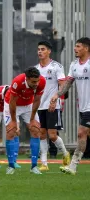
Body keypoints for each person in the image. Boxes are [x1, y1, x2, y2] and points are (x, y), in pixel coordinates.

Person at [49, 37, 90, 175]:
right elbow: (68, 83)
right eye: (75, 46)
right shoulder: (74, 65)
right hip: (83, 107)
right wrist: (57, 94)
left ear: (86, 48)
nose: (75, 49)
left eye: (78, 46)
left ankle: (73, 166)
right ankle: (73, 166)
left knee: (81, 133)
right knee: (84, 134)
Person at [35, 41, 70, 171]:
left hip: (52, 106)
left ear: (49, 51)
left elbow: (63, 85)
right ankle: (44, 163)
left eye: (42, 49)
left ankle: (66, 154)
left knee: (52, 135)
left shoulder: (57, 67)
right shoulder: (36, 69)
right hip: (39, 106)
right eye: (38, 49)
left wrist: (56, 99)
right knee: (41, 134)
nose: (40, 51)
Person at [4, 66, 46, 174]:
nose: (36, 84)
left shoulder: (41, 82)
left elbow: (37, 100)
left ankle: (34, 166)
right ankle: (11, 166)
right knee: (11, 131)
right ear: (26, 79)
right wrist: (14, 121)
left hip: (28, 105)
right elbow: (12, 102)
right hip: (12, 104)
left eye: (37, 81)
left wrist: (32, 119)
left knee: (36, 130)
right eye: (33, 82)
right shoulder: (17, 82)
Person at [0, 85, 21, 168]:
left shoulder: (16, 93)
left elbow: (15, 111)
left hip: (9, 110)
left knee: (15, 132)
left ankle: (14, 160)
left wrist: (17, 125)